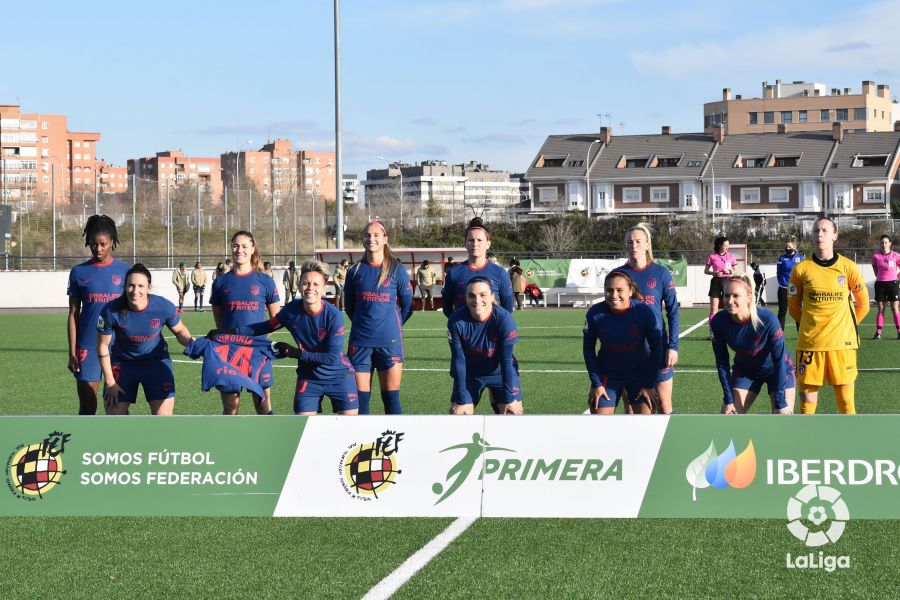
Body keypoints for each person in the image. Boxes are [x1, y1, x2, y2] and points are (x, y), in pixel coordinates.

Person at [214, 260, 358, 415]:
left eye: (316, 284)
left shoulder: (334, 315)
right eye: (306, 283)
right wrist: (229, 333)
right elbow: (264, 327)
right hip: (309, 378)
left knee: (348, 432)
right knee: (302, 429)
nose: (310, 288)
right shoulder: (291, 310)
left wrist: (294, 353)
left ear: (323, 288)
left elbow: (332, 358)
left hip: (340, 377)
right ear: (299, 285)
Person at [788, 217, 869, 414]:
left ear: (835, 235)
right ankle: (806, 444)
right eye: (816, 231)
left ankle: (850, 445)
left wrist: (845, 327)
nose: (820, 234)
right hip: (810, 345)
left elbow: (864, 304)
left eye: (825, 230)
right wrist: (812, 327)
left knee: (846, 401)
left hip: (842, 345)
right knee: (807, 403)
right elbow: (793, 307)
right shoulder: (801, 269)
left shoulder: (848, 267)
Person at [97, 264, 194, 415]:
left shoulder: (163, 306)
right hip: (123, 365)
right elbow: (103, 346)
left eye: (141, 286)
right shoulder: (110, 310)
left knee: (163, 422)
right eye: (131, 285)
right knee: (114, 419)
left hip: (156, 364)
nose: (135, 291)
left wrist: (191, 342)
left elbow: (180, 330)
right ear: (124, 286)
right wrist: (110, 381)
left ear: (149, 287)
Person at [344, 221, 413, 414]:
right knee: (360, 402)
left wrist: (390, 325)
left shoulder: (396, 270)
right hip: (360, 343)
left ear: (385, 239)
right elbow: (350, 307)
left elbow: (407, 307)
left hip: (389, 342)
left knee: (391, 399)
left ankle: (395, 444)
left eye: (376, 235)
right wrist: (365, 324)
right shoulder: (354, 271)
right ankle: (361, 443)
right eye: (367, 235)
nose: (371, 239)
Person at [210, 230, 281, 415]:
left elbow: (276, 319)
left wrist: (258, 340)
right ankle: (229, 444)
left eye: (244, 246)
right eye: (235, 246)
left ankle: (267, 443)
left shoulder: (265, 281)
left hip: (257, 351)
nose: (239, 250)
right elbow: (220, 322)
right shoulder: (220, 282)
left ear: (252, 249)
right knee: (230, 408)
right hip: (229, 352)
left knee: (263, 407)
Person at [67, 215, 130, 415]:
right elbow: (73, 314)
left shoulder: (125, 271)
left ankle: (116, 446)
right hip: (88, 347)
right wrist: (72, 351)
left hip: (117, 347)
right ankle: (84, 445)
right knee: (87, 407)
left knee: (116, 407)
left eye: (103, 244)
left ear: (112, 241)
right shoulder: (79, 272)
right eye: (93, 244)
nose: (99, 249)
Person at [711, 275, 795, 414]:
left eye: (736, 296)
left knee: (782, 417)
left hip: (777, 370)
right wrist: (728, 399)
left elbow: (779, 360)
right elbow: (722, 363)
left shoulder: (768, 320)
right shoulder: (718, 322)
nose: (730, 301)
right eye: (726, 295)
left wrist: (780, 401)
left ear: (749, 296)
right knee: (730, 416)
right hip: (746, 371)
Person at [617, 224, 679, 414]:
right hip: (629, 351)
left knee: (664, 405)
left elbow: (673, 311)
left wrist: (673, 346)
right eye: (629, 242)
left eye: (638, 241)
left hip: (657, 349)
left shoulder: (661, 273)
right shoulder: (619, 275)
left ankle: (671, 444)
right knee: (631, 408)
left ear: (646, 245)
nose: (633, 246)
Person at [582, 270, 661, 415]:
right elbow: (588, 350)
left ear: (630, 291)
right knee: (599, 427)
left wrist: (648, 384)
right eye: (609, 290)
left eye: (620, 290)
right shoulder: (594, 313)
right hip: (607, 377)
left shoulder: (643, 312)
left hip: (639, 377)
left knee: (645, 426)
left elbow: (657, 348)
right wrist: (596, 384)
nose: (614, 295)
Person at [447, 277, 523, 415]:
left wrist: (510, 398)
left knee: (512, 415)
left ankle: (497, 398)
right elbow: (459, 360)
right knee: (459, 415)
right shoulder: (455, 321)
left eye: (483, 295)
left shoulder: (505, 320)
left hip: (500, 372)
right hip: (471, 374)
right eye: (471, 296)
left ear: (492, 297)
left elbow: (506, 361)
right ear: (465, 297)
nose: (477, 301)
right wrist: (462, 399)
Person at [442, 218, 514, 317]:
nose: (475, 244)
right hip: (464, 332)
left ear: (488, 244)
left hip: (491, 331)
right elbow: (447, 308)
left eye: (479, 240)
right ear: (465, 244)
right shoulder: (454, 273)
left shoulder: (500, 273)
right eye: (471, 240)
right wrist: (459, 325)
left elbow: (508, 309)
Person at [704, 236, 737, 333]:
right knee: (714, 310)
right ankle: (712, 332)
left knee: (729, 308)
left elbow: (736, 270)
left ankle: (729, 331)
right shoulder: (712, 256)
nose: (727, 247)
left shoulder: (731, 256)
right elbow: (706, 271)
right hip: (716, 282)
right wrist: (714, 273)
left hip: (728, 282)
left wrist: (730, 270)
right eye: (725, 245)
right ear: (719, 245)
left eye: (728, 245)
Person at [871, 234, 900, 339]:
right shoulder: (876, 256)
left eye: (886, 242)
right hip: (880, 285)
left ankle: (899, 332)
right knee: (881, 309)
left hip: (893, 284)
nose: (884, 245)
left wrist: (896, 276)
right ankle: (878, 333)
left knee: (894, 308)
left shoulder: (896, 255)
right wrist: (880, 278)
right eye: (882, 243)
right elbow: (875, 269)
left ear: (890, 244)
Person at [775, 236, 803, 329]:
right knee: (782, 311)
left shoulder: (801, 258)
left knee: (797, 311)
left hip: (795, 289)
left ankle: (800, 333)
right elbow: (778, 272)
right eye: (786, 247)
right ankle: (779, 335)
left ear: (794, 247)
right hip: (783, 288)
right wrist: (781, 282)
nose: (787, 248)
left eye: (789, 247)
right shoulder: (781, 258)